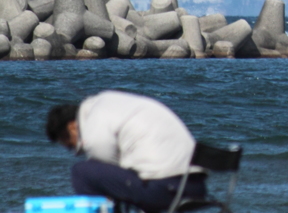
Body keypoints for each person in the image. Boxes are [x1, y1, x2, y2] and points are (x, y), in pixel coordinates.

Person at [46, 91, 207, 213]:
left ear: (72, 127)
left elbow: (106, 165)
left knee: (81, 172)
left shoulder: (95, 124)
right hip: (196, 188)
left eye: (67, 142)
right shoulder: (111, 103)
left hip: (165, 190)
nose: (71, 149)